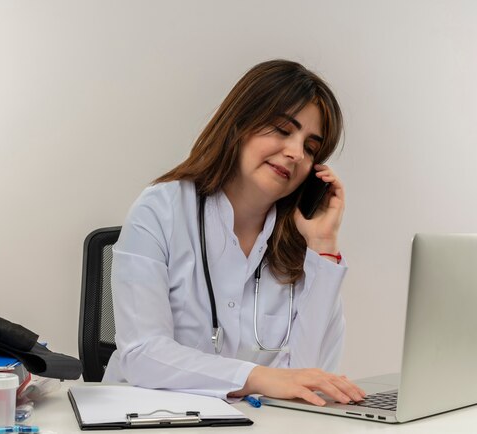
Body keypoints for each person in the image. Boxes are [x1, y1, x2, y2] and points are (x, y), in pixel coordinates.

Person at [102, 59, 365, 406]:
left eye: (311, 147)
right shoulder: (161, 210)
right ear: (240, 124)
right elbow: (143, 354)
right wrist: (260, 377)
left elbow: (308, 382)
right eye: (283, 130)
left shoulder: (301, 251)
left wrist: (322, 245)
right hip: (145, 418)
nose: (295, 152)